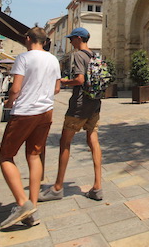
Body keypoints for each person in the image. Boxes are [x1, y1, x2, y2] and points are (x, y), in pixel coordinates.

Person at [0, 26, 61, 229]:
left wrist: (9, 102)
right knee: (34, 155)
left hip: (25, 112)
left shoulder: (24, 58)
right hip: (46, 111)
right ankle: (32, 206)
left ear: (28, 39)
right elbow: (57, 88)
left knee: (6, 156)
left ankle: (21, 202)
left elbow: (15, 88)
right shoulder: (53, 59)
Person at [39, 27, 104, 202]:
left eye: (71, 39)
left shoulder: (78, 55)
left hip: (80, 103)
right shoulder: (95, 55)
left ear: (78, 38)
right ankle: (97, 186)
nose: (69, 42)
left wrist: (63, 81)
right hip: (95, 103)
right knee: (93, 141)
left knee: (65, 142)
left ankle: (58, 187)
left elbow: (80, 79)